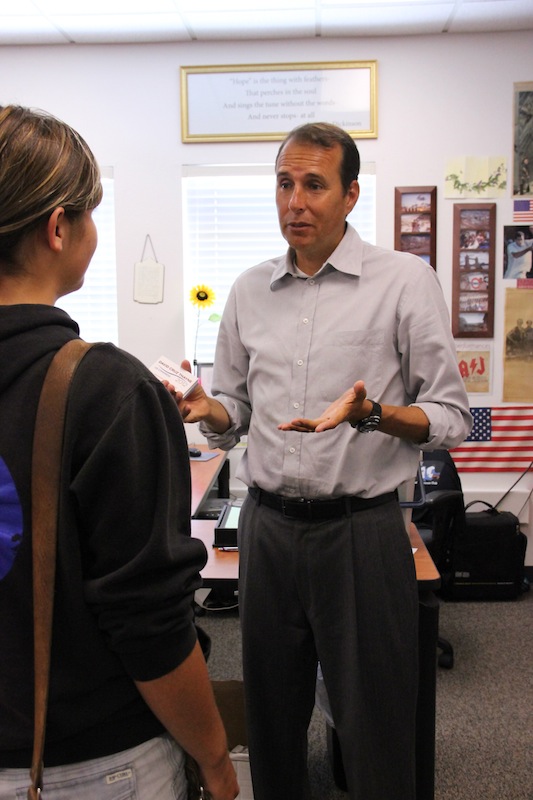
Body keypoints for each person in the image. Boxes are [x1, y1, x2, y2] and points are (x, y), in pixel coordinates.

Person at [174, 122, 471, 800]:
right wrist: (209, 411)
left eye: (313, 185)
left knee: (374, 724)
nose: (295, 202)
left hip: (360, 533)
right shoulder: (249, 290)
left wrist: (372, 414)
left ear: (349, 195)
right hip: (268, 530)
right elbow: (235, 410)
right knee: (273, 720)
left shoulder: (402, 282)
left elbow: (450, 417)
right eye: (284, 184)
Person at [0, 106, 238, 800]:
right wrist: (215, 758)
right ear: (57, 227)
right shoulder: (102, 387)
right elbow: (148, 623)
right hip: (84, 763)